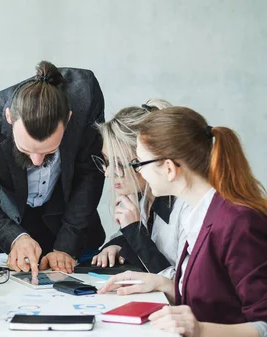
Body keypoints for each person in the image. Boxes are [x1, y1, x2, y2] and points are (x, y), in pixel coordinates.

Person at [99, 107, 267, 337]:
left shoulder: (238, 222)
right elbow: (215, 299)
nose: (139, 174)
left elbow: (263, 324)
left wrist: (200, 329)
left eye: (139, 164)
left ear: (169, 168)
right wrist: (162, 284)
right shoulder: (200, 214)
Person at [0, 60, 106, 276]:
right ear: (9, 117)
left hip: (64, 216)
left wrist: (66, 246)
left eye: (49, 152)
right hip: (2, 220)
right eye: (26, 150)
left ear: (68, 119)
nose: (37, 161)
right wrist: (14, 238)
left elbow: (90, 175)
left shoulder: (86, 96)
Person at [90, 99, 189, 278]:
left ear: (145, 159)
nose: (108, 173)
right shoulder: (145, 197)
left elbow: (184, 286)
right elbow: (126, 235)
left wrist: (134, 233)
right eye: (106, 162)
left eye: (119, 163)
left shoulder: (185, 209)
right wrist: (118, 244)